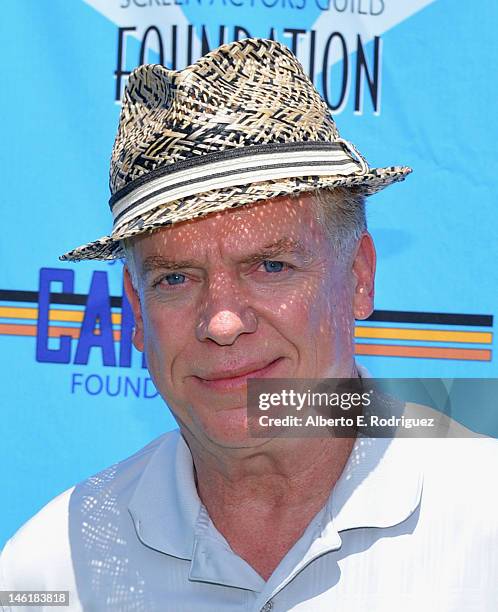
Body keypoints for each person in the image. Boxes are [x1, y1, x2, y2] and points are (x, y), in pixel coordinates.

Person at [1, 38, 496, 612]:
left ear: (358, 277)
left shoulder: (484, 524)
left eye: (270, 266)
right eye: (177, 279)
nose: (223, 322)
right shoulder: (50, 571)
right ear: (136, 312)